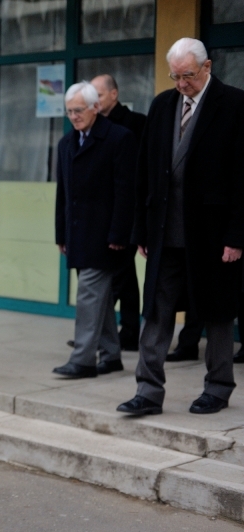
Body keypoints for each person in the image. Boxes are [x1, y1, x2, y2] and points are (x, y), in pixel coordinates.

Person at [117, 38, 244, 416]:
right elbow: (144, 171)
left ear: (207, 68)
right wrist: (139, 229)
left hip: (214, 234)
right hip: (164, 232)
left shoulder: (235, 105)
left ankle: (218, 387)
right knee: (156, 311)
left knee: (217, 313)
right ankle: (148, 391)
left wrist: (237, 235)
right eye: (175, 76)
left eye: (187, 75)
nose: (181, 84)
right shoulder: (162, 105)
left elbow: (243, 178)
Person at [52, 82, 137, 379]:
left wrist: (119, 234)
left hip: (105, 237)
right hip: (77, 235)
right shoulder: (66, 143)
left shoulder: (119, 138)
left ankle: (83, 360)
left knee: (89, 295)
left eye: (78, 110)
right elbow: (62, 194)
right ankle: (111, 355)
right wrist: (60, 234)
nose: (74, 117)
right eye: (69, 112)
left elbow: (126, 191)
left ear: (96, 108)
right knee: (97, 296)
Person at [91, 74, 147, 351]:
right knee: (120, 277)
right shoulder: (94, 126)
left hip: (128, 211)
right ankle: (111, 331)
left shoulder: (136, 124)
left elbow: (140, 173)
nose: (95, 102)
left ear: (114, 94)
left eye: (98, 95)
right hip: (102, 213)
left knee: (121, 276)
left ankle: (115, 331)